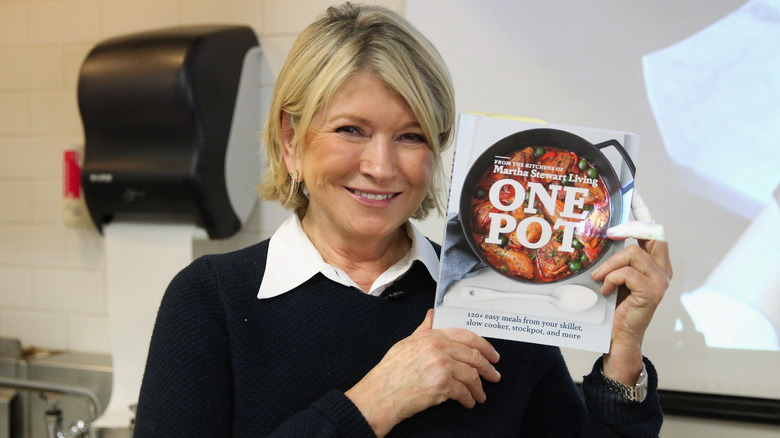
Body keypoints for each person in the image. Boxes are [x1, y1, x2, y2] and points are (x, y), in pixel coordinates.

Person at [133, 3, 672, 437]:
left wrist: (623, 352)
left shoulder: (496, 294)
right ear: (292, 141)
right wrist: (373, 403)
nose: (380, 167)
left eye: (411, 137)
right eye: (351, 129)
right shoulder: (212, 301)